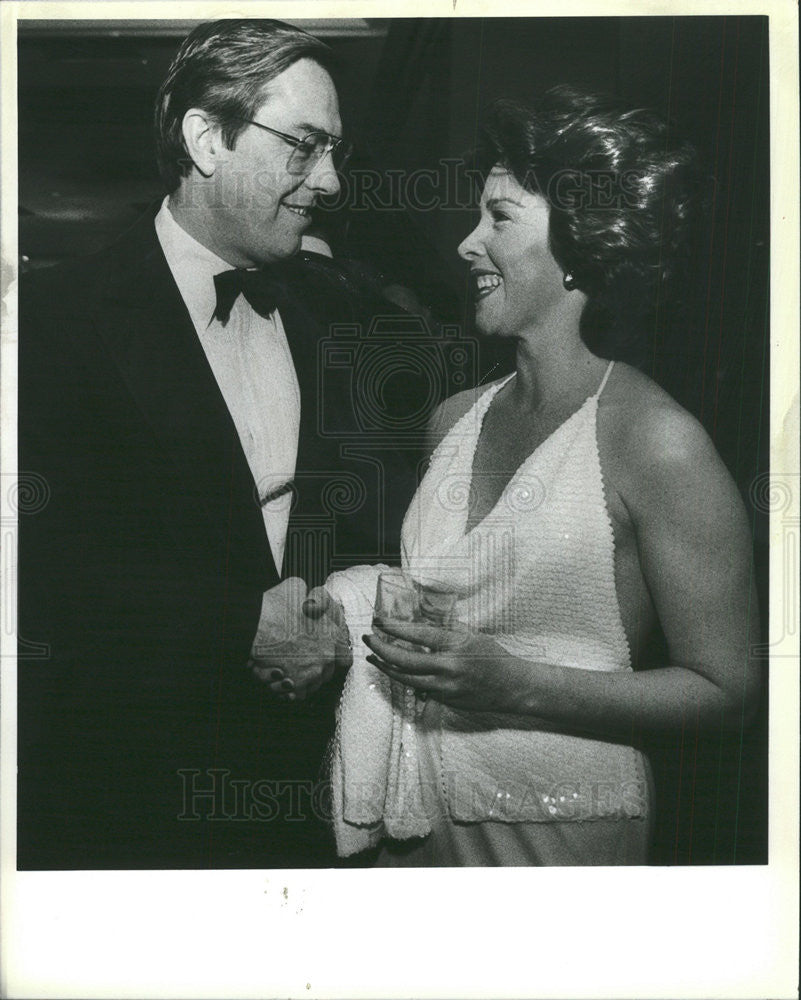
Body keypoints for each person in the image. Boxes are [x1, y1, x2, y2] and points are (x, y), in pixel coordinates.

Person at [320, 88, 761, 866]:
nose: (465, 244)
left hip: (558, 840)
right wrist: (340, 611)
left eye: (498, 217)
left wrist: (517, 686)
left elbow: (727, 691)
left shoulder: (656, 440)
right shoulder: (452, 418)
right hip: (413, 828)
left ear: (582, 243)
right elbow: (455, 600)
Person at [17, 18, 419, 869]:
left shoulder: (333, 315)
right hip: (123, 800)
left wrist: (337, 625)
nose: (333, 181)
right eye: (304, 147)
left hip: (299, 793)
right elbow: (37, 574)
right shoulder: (57, 326)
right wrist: (235, 624)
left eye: (337, 152)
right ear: (206, 138)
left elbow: (380, 520)